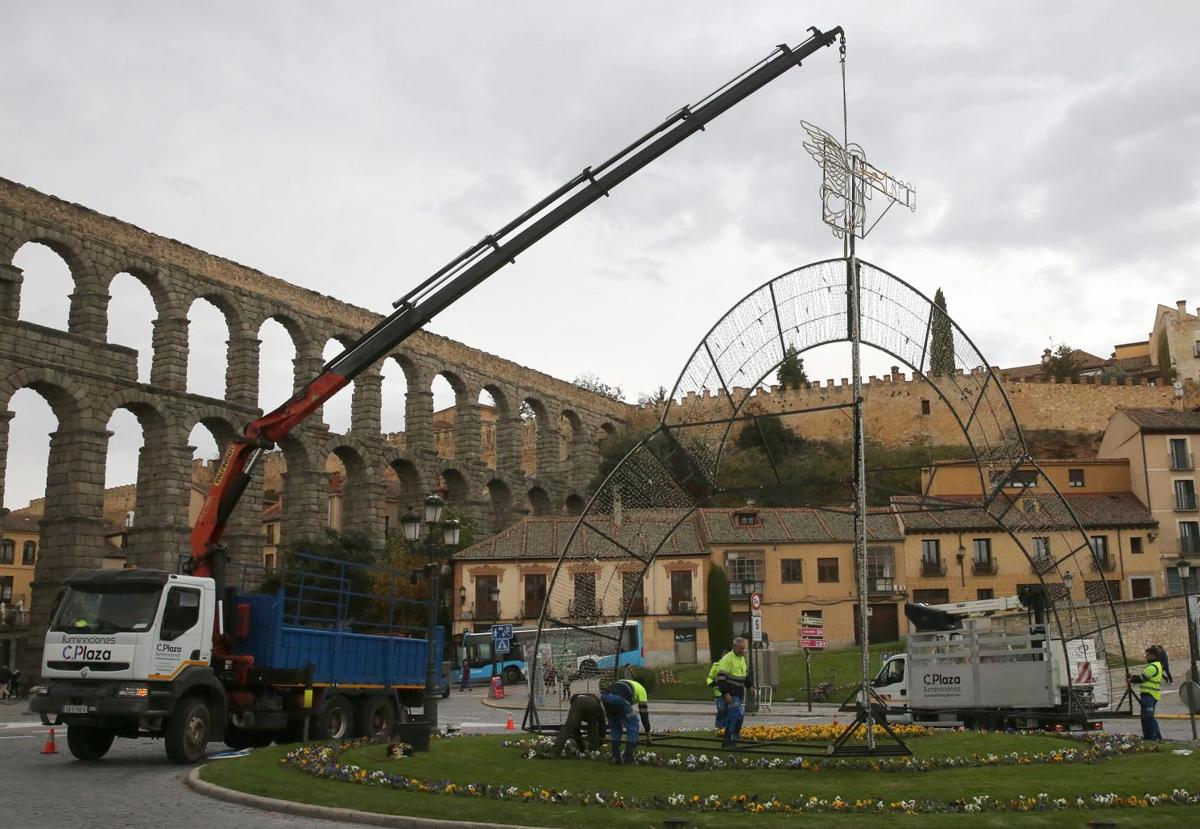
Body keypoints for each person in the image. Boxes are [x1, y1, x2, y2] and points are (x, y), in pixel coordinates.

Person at [714, 636, 754, 748]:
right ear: (734, 647)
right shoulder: (727, 659)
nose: (742, 651)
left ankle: (730, 739)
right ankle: (731, 739)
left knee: (737, 717)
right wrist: (726, 693)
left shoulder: (741, 659)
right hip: (731, 694)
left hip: (739, 693)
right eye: (740, 648)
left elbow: (744, 675)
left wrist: (750, 686)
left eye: (744, 648)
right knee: (736, 715)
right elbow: (721, 678)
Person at [600, 677, 652, 764]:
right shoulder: (641, 689)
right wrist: (648, 732)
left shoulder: (623, 681)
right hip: (619, 700)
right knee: (633, 726)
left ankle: (615, 757)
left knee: (615, 728)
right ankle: (628, 757)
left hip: (605, 698)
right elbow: (643, 713)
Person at [550, 692, 606, 757]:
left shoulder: (574, 698)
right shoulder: (597, 702)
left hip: (579, 703)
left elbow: (576, 728)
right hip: (594, 704)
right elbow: (602, 725)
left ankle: (554, 752)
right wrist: (600, 741)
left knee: (567, 728)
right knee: (593, 727)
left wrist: (580, 746)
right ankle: (594, 752)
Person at [1128, 645, 1165, 741]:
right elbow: (1142, 676)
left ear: (1153, 656)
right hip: (1148, 694)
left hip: (1150, 695)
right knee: (1145, 717)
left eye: (1147, 655)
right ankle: (1148, 737)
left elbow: (1142, 678)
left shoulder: (1153, 667)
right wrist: (1132, 677)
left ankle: (1157, 737)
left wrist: (1131, 679)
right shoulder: (1154, 666)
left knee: (1149, 717)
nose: (1146, 657)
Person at [706, 653, 726, 729]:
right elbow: (709, 677)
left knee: (729, 710)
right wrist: (712, 683)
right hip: (719, 692)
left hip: (730, 692)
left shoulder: (732, 666)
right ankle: (718, 726)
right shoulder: (717, 666)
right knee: (721, 709)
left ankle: (725, 727)